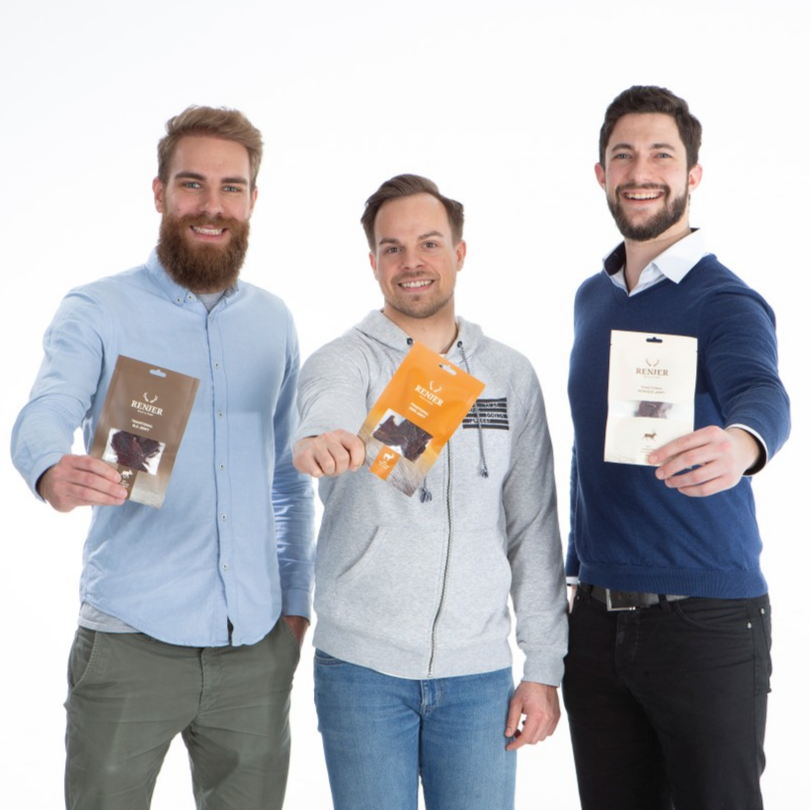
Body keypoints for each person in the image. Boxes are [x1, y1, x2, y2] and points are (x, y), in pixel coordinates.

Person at [11, 106, 314, 810]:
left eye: (231, 187)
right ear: (159, 192)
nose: (213, 206)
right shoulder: (99, 309)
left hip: (255, 650)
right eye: (192, 184)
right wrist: (50, 469)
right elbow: (45, 407)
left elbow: (287, 479)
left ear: (253, 200)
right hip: (129, 646)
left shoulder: (274, 321)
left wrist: (295, 605)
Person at [293, 174, 568, 810]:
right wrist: (322, 441)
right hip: (361, 672)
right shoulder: (344, 360)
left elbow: (533, 526)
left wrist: (543, 667)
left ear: (459, 252)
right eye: (392, 248)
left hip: (479, 677)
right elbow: (326, 408)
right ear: (373, 262)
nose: (411, 262)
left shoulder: (509, 375)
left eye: (429, 244)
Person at [563, 85, 791, 810]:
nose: (641, 172)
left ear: (693, 174)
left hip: (704, 621)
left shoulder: (724, 300)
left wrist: (744, 443)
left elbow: (762, 390)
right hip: (595, 623)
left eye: (661, 155)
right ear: (601, 173)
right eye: (623, 155)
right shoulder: (593, 298)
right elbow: (589, 453)